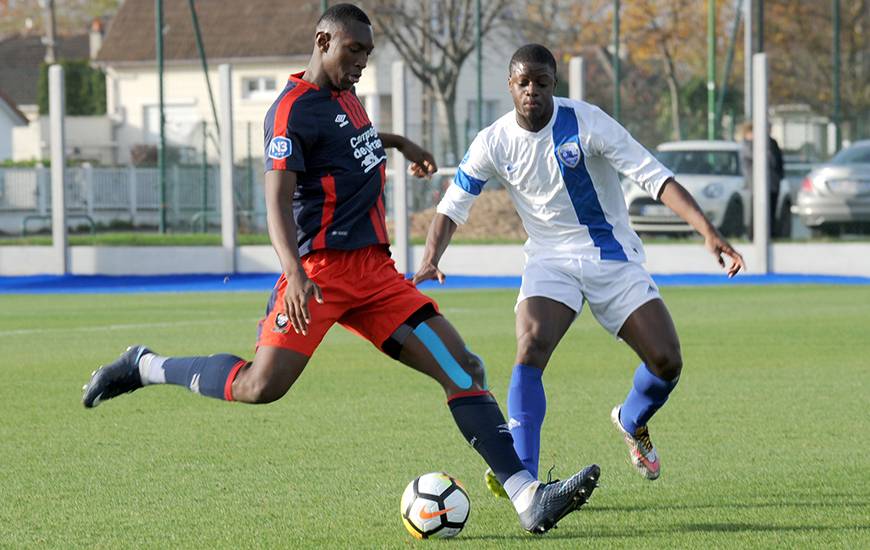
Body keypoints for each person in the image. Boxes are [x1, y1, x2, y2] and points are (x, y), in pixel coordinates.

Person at [81, 6, 598, 535]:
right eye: (354, 51)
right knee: (262, 386)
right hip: (319, 274)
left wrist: (397, 144)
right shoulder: (289, 111)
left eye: (367, 55)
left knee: (464, 368)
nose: (362, 63)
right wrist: (295, 273)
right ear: (323, 40)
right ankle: (144, 365)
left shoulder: (347, 98)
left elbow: (351, 148)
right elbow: (276, 199)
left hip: (375, 274)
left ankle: (527, 496)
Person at [413, 44, 744, 494]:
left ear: (554, 84)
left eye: (541, 83)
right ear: (510, 85)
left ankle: (632, 419)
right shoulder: (493, 140)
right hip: (550, 258)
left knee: (667, 361)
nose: (532, 91)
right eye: (523, 82)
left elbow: (653, 175)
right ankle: (523, 477)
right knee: (530, 345)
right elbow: (454, 203)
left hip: (611, 255)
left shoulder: (587, 122)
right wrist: (432, 257)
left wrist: (707, 231)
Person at [739, 122, 785, 236]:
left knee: (771, 211)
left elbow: (777, 161)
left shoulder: (772, 143)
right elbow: (761, 158)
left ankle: (770, 234)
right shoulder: (749, 145)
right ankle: (753, 235)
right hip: (757, 184)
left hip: (773, 183)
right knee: (756, 213)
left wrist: (779, 176)